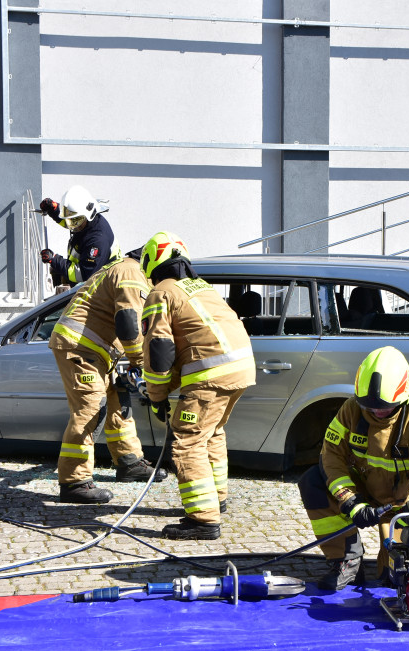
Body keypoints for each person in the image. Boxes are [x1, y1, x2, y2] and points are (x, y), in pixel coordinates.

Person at [297, 346, 409, 590]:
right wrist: (351, 502)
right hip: (364, 489)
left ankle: (392, 562)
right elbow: (331, 456)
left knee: (394, 578)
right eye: (370, 406)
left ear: (404, 397)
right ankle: (346, 561)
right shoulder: (351, 410)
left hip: (405, 504)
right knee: (312, 481)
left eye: (385, 407)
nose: (377, 412)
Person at [139, 231, 256, 540]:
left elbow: (159, 350)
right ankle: (217, 497)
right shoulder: (202, 287)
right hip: (240, 369)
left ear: (152, 262)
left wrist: (156, 395)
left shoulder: (161, 292)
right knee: (212, 432)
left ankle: (203, 519)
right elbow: (191, 345)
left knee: (188, 439)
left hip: (211, 377)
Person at [48, 248, 164, 504]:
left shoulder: (121, 268)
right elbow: (128, 320)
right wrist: (140, 363)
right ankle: (74, 481)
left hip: (96, 349)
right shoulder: (132, 271)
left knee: (117, 402)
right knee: (91, 410)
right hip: (81, 347)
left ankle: (129, 462)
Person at [39, 185, 122, 289]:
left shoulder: (97, 241)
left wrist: (55, 260)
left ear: (88, 215)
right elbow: (72, 220)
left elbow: (83, 275)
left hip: (98, 289)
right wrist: (54, 210)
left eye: (75, 221)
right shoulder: (85, 221)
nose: (72, 226)